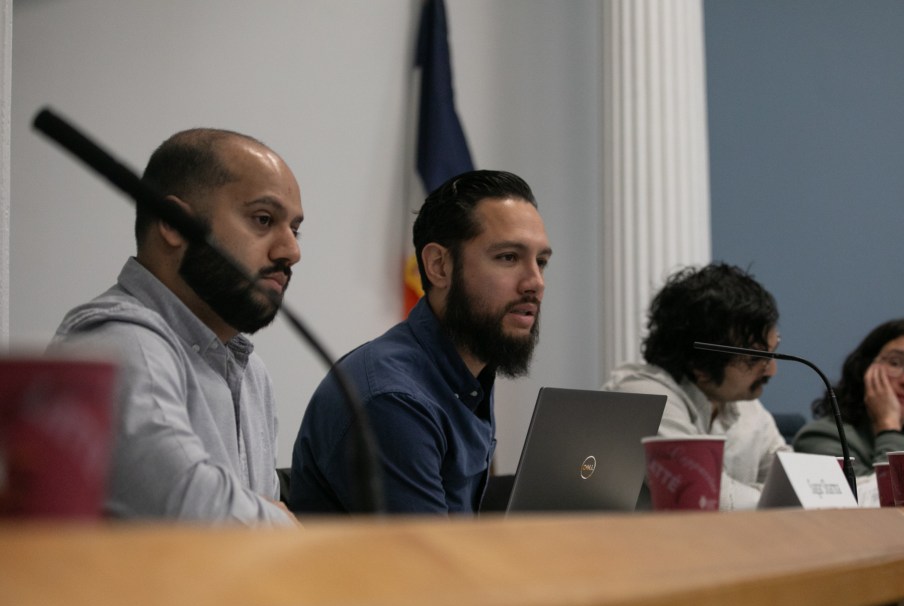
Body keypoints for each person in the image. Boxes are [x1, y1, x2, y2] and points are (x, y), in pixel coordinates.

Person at [51, 128, 302, 524]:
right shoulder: (117, 345)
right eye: (263, 219)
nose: (291, 250)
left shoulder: (252, 373)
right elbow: (190, 514)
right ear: (175, 224)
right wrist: (284, 524)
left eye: (295, 229)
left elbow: (240, 530)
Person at [290, 170, 551, 514]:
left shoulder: (468, 374)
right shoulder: (393, 400)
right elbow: (430, 550)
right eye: (508, 257)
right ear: (439, 266)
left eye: (541, 262)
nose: (536, 282)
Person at [603, 263, 787, 510]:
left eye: (773, 352)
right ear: (700, 363)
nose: (772, 370)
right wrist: (775, 499)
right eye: (755, 358)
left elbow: (795, 483)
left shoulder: (747, 408)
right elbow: (705, 500)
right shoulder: (641, 397)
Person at [793, 318, 904, 477]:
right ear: (865, 369)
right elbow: (878, 492)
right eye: (895, 363)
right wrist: (889, 425)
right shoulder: (821, 437)